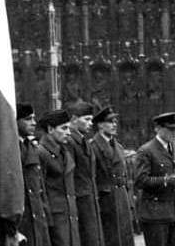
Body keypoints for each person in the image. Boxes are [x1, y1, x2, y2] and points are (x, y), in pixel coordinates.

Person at [135, 112, 175, 246]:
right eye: (170, 129)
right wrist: (165, 180)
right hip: (156, 214)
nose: (174, 133)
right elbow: (141, 181)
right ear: (158, 129)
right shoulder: (146, 151)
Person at [89, 106, 134, 246]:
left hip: (122, 198)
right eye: (110, 121)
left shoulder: (118, 147)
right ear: (100, 125)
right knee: (111, 237)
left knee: (125, 237)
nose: (114, 124)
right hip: (106, 200)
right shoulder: (93, 147)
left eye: (115, 121)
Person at [37, 109, 80, 246]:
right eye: (64, 128)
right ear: (50, 129)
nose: (68, 132)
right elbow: (40, 190)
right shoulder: (42, 153)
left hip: (69, 217)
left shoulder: (63, 152)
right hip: (55, 220)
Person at [65, 102, 105, 246]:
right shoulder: (69, 141)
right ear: (74, 119)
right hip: (79, 201)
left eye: (91, 119)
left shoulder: (84, 141)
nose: (90, 123)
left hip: (90, 199)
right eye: (86, 119)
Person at [16, 103, 51, 246]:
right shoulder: (11, 148)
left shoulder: (31, 146)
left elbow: (40, 184)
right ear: (16, 121)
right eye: (28, 119)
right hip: (23, 220)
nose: (33, 123)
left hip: (38, 217)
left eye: (34, 118)